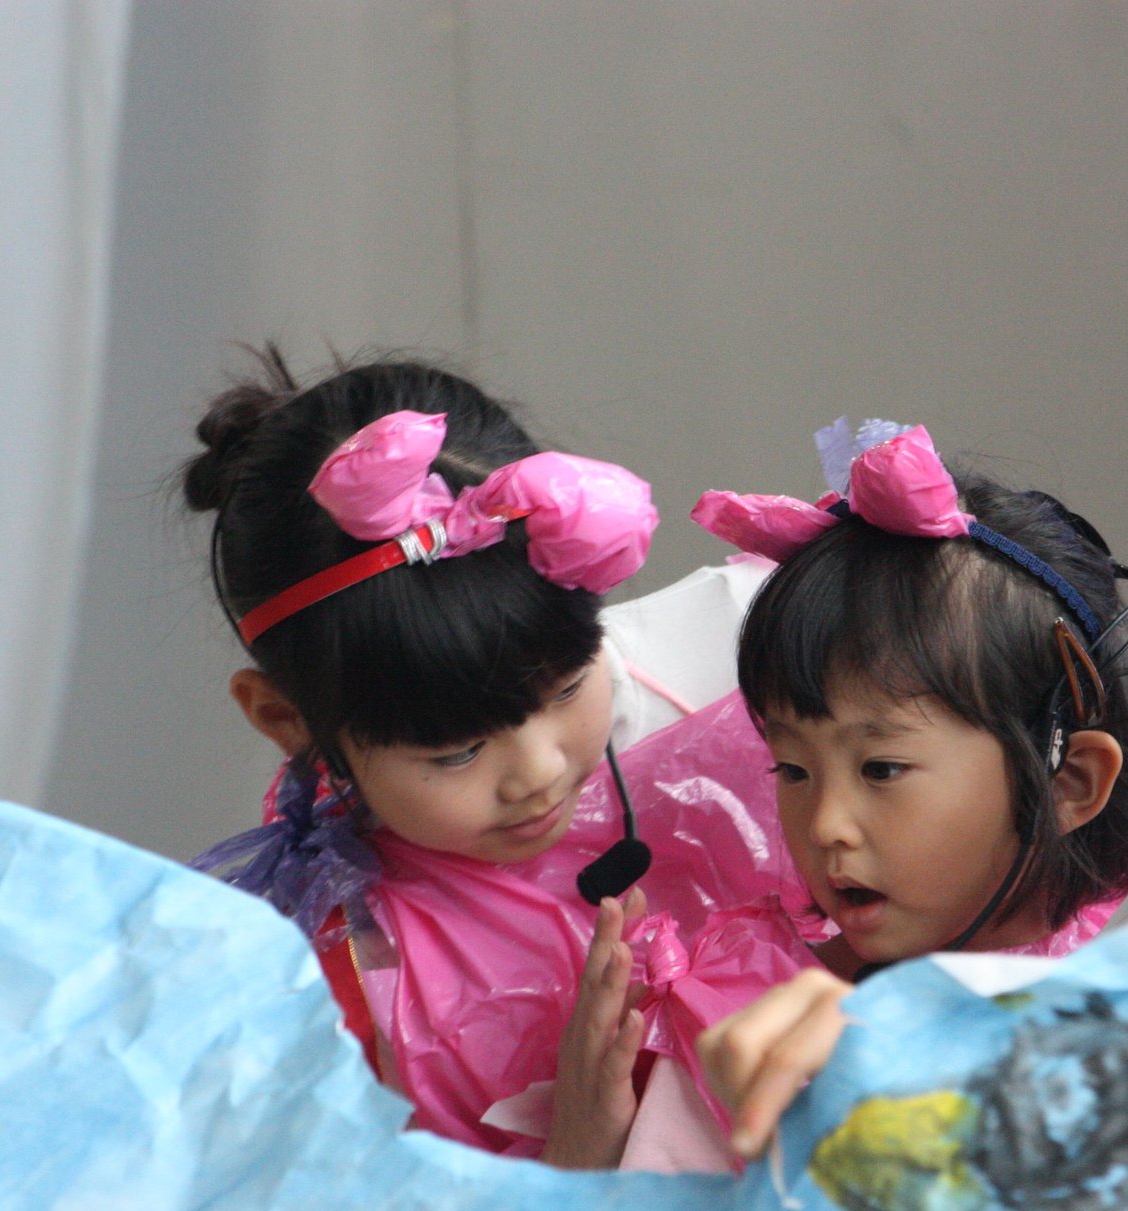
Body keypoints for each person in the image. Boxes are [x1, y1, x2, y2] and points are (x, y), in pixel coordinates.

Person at [183, 351, 805, 1168]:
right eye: (458, 751)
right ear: (284, 719)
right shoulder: (338, 1003)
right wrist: (575, 1160)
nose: (537, 771)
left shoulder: (758, 665)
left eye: (567, 687)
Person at [686, 421, 1128, 1155]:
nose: (826, 826)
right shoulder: (741, 1014)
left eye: (881, 769)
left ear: (1070, 782)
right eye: (792, 769)